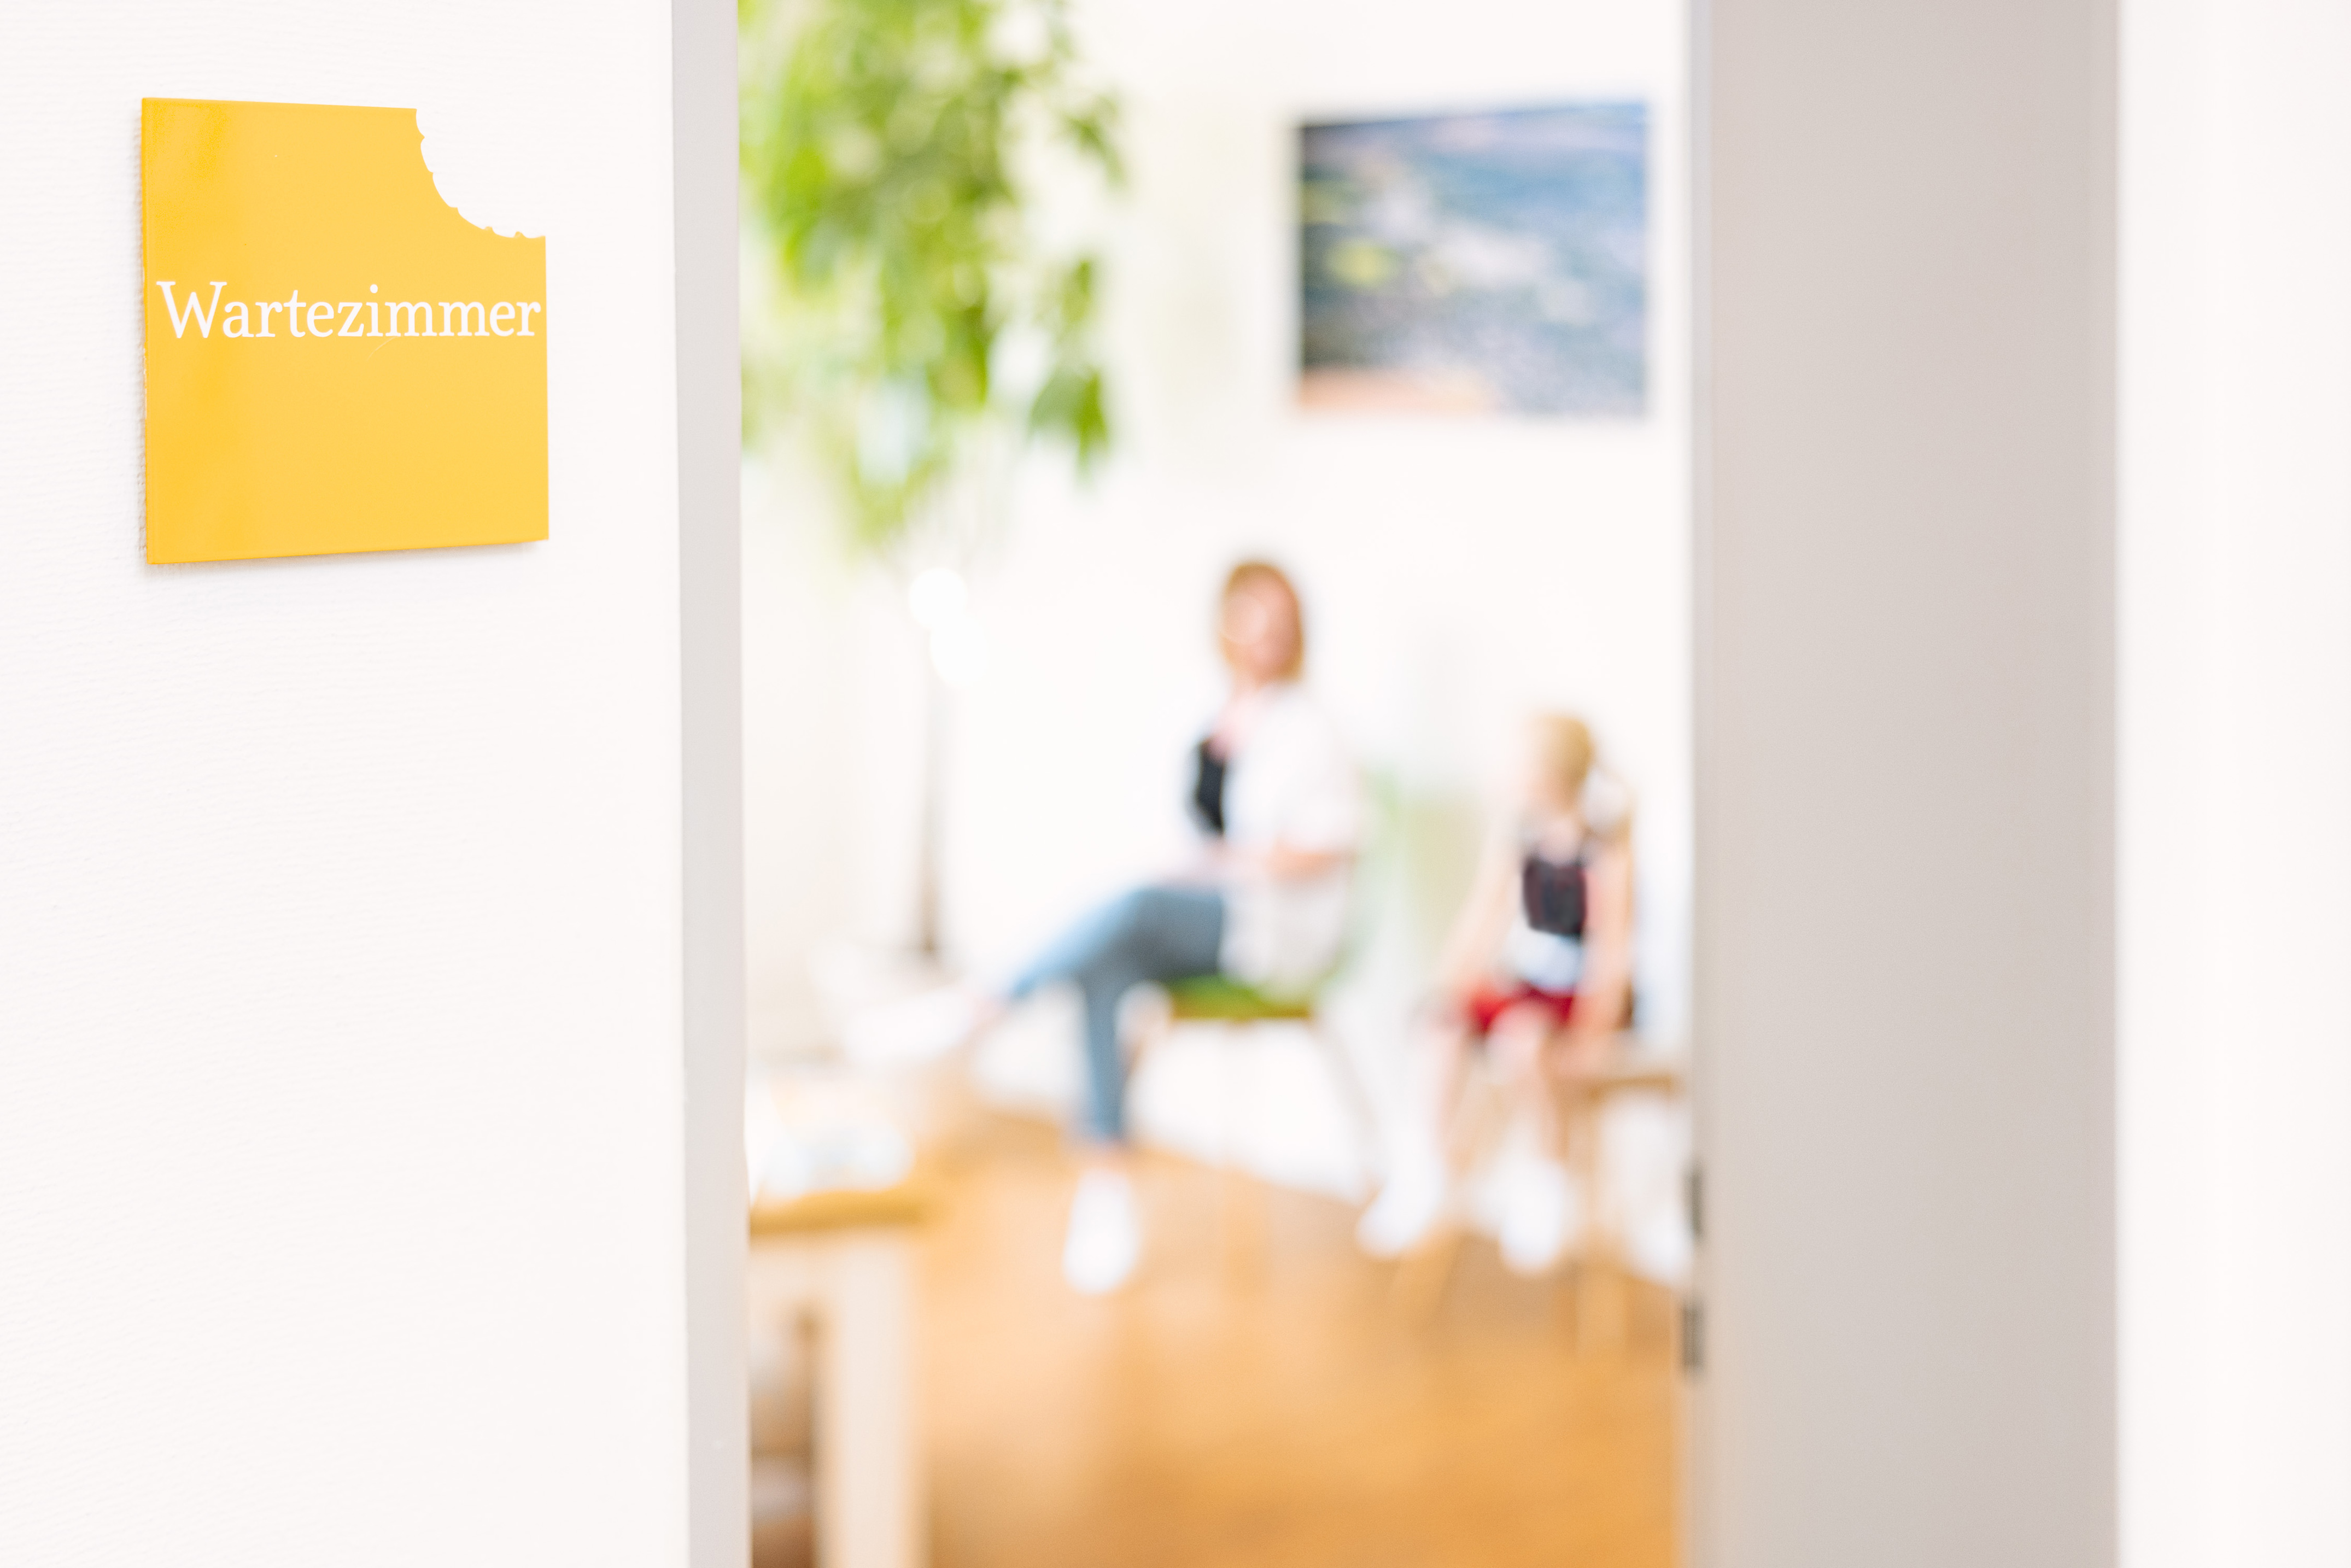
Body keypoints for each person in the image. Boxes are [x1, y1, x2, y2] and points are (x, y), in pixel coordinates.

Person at [859, 561, 1361, 1294]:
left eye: (1281, 621)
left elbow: (1329, 846)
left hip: (1265, 924)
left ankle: (979, 1005)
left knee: (1131, 909)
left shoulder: (1313, 729)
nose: (1268, 636)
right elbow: (1164, 821)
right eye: (1253, 617)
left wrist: (1229, 861)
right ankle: (1107, 1193)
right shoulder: (1200, 711)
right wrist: (1189, 863)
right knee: (1106, 968)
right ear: (1226, 622)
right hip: (1188, 908)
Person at [1354, 712, 1634, 1274]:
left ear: (1547, 774)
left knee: (1521, 1044)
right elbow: (1478, 925)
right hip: (1526, 986)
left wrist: (1591, 1034)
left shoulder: (1604, 854)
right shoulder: (1516, 843)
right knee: (1441, 1029)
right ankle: (1424, 1170)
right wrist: (1447, 994)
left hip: (1571, 1001)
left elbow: (1613, 954)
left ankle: (1547, 1178)